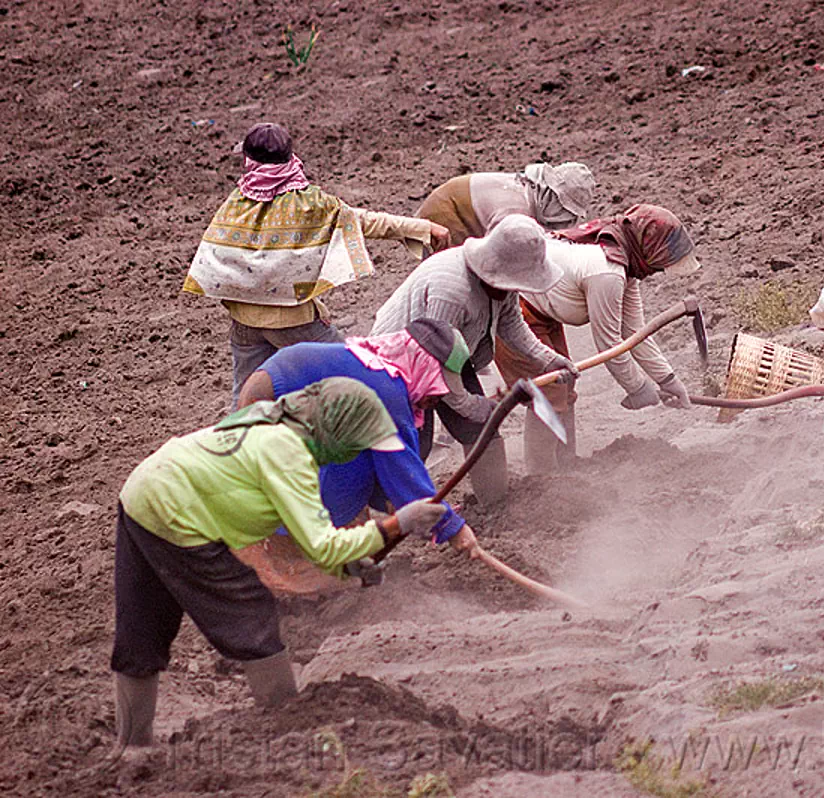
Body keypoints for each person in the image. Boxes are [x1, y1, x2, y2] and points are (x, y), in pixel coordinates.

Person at [110, 377, 477, 751]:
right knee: (251, 612)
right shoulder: (288, 452)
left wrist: (349, 566)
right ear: (338, 432)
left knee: (143, 628)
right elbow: (323, 547)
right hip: (175, 508)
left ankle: (132, 748)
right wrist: (399, 523)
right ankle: (289, 726)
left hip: (143, 489)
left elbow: (312, 544)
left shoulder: (272, 425)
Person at [182, 122, 452, 405]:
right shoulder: (309, 204)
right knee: (358, 373)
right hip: (295, 320)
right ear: (290, 158)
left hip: (243, 323)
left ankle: (237, 444)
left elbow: (217, 256)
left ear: (249, 161)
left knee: (246, 399)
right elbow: (363, 221)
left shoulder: (236, 202)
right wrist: (422, 228)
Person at [233, 319, 487, 592]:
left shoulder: (374, 365)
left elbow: (379, 466)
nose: (436, 398)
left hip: (270, 394)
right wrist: (453, 528)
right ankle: (289, 574)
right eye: (437, 387)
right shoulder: (387, 389)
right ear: (424, 366)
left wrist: (398, 505)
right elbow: (401, 470)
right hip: (275, 403)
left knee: (350, 473)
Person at [371, 215, 578, 504]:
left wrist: (549, 359)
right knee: (417, 442)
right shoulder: (453, 290)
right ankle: (392, 517)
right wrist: (468, 404)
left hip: (452, 353)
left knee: (483, 430)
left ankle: (494, 505)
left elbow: (512, 325)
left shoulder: (501, 284)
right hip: (403, 363)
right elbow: (433, 362)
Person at [494, 204, 700, 471]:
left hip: (542, 313)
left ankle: (566, 467)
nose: (658, 272)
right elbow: (609, 345)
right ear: (647, 249)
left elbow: (635, 334)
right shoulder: (607, 272)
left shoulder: (625, 268)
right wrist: (638, 388)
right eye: (659, 265)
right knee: (548, 392)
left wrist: (668, 380)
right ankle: (540, 478)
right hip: (514, 311)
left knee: (564, 382)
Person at [415, 162, 595, 248]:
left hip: (462, 207)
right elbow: (497, 254)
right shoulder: (516, 209)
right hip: (447, 211)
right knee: (454, 275)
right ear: (551, 196)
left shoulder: (530, 194)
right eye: (564, 211)